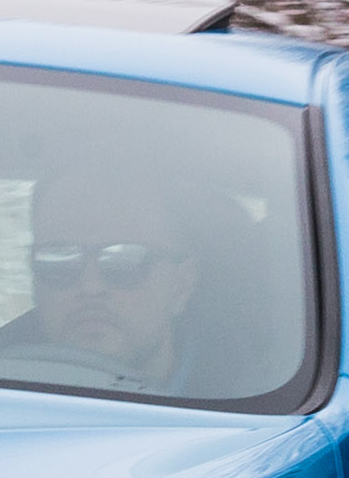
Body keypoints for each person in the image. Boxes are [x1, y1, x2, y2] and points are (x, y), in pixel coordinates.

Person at [16, 164, 212, 388]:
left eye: (124, 261)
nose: (90, 287)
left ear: (181, 286)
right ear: (34, 280)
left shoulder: (241, 402)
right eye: (59, 261)